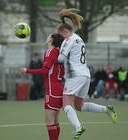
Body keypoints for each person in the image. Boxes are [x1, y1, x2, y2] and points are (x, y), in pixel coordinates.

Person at [57, 8, 117, 140]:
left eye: (61, 36)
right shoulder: (78, 38)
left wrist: (56, 51)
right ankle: (108, 109)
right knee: (79, 106)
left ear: (65, 31)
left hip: (75, 75)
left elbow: (60, 59)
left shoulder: (68, 40)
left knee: (66, 103)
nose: (61, 39)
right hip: (85, 75)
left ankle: (79, 127)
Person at [20, 33, 64, 140]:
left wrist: (27, 70)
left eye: (49, 36)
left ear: (51, 40)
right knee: (55, 120)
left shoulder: (50, 52)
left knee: (49, 121)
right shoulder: (59, 52)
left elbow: (45, 70)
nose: (47, 37)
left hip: (52, 90)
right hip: (59, 88)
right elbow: (62, 71)